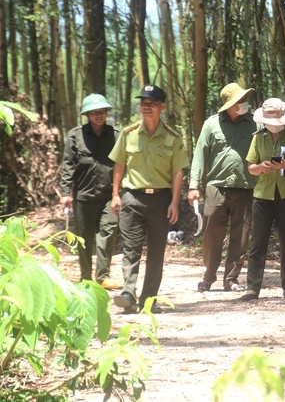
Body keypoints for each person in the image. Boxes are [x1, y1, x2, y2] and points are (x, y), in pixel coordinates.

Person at [109, 84, 189, 314]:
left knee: (156, 252)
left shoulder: (173, 137)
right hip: (132, 199)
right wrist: (115, 195)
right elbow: (119, 164)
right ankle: (128, 292)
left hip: (161, 201)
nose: (147, 107)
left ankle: (148, 300)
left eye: (152, 103)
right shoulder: (128, 133)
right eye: (144, 103)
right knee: (131, 249)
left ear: (162, 107)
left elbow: (177, 171)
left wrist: (175, 202)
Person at [189, 83, 257, 293]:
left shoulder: (255, 123)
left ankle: (231, 279)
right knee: (211, 235)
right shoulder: (211, 124)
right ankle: (209, 276)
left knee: (241, 236)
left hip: (245, 187)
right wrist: (193, 186)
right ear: (229, 105)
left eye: (244, 99)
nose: (243, 103)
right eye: (239, 101)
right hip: (216, 188)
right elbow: (200, 155)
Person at [241, 98, 285, 301]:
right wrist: (262, 167)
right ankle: (253, 288)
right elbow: (251, 167)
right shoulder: (258, 138)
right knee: (258, 242)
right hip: (263, 196)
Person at [59, 94, 120, 289]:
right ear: (87, 115)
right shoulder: (75, 135)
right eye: (94, 113)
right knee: (83, 238)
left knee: (107, 233)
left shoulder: (116, 135)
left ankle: (102, 277)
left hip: (108, 197)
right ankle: (85, 277)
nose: (98, 116)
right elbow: (68, 165)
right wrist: (66, 192)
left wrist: (120, 193)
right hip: (82, 197)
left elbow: (123, 164)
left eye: (101, 112)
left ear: (106, 113)